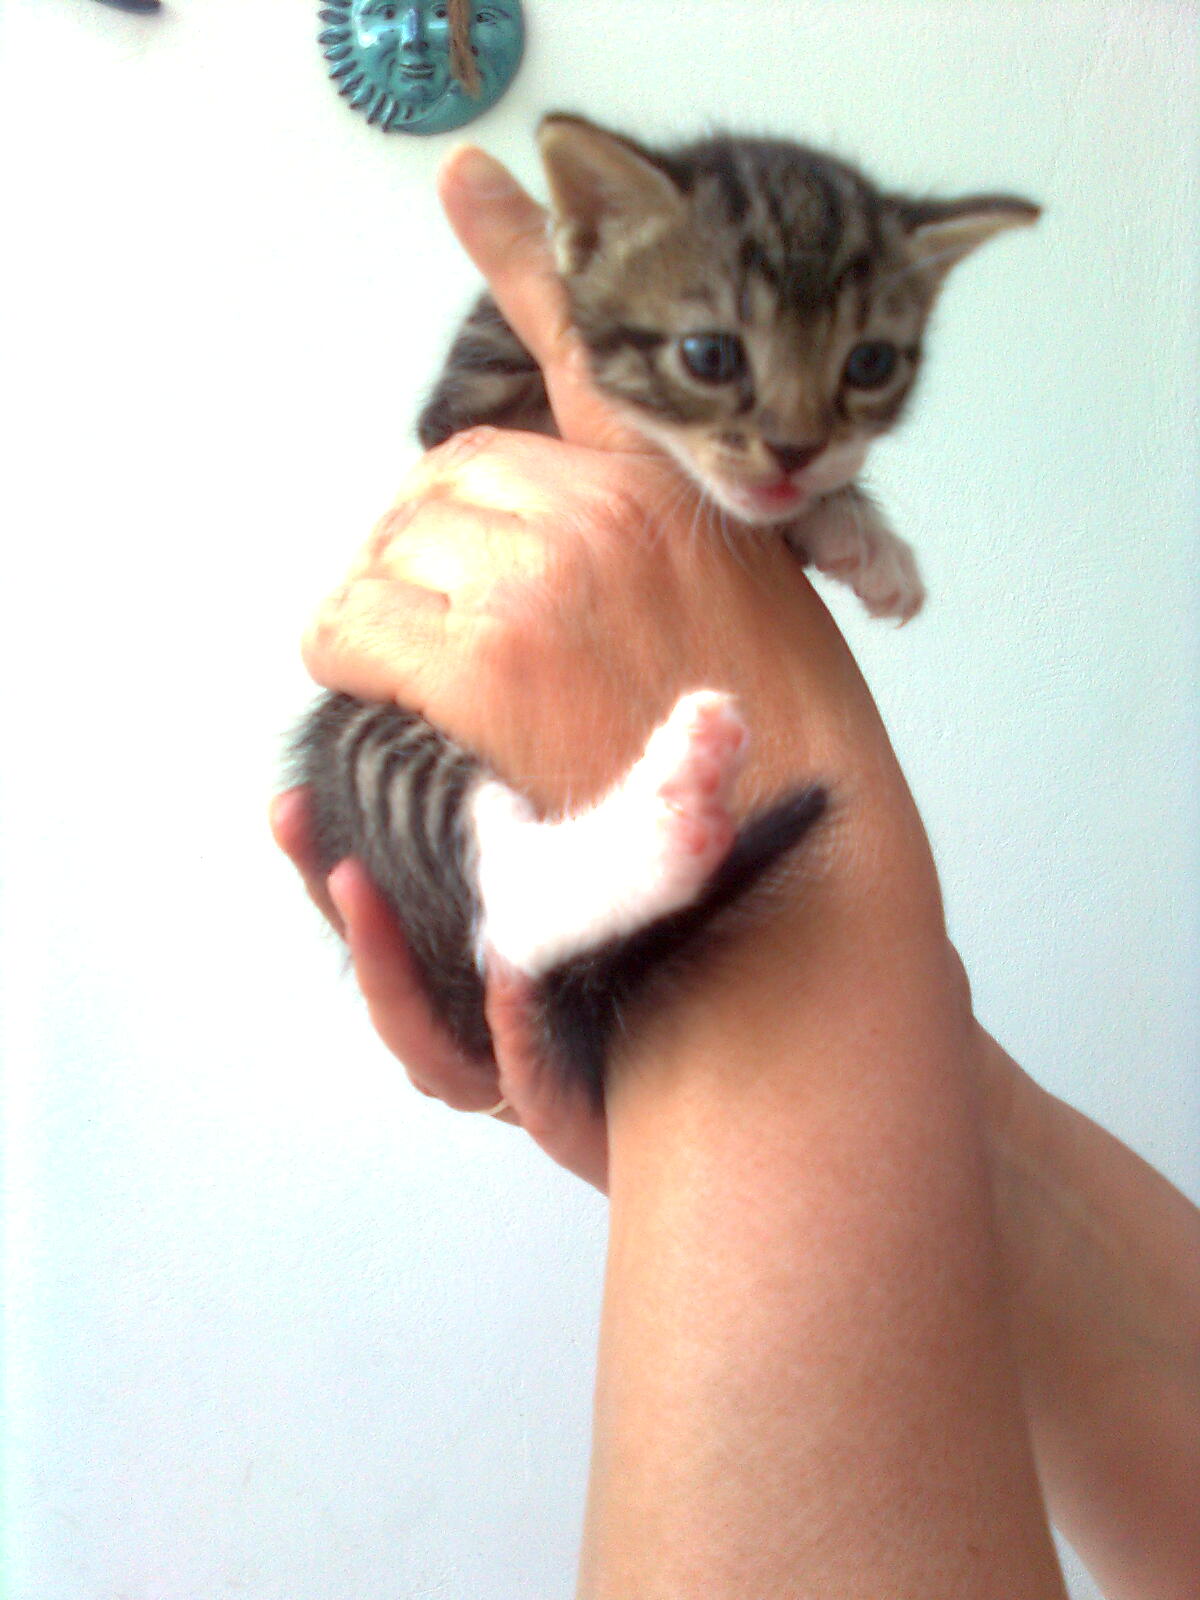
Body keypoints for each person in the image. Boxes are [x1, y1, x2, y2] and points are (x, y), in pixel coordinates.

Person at [273, 146, 1200, 1599]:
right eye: (719, 360)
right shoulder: (553, 318)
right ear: (597, 246)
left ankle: (568, 888)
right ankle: (535, 880)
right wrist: (907, 1077)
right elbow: (453, 436)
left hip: (601, 877)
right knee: (354, 754)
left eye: (863, 375)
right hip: (481, 838)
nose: (794, 437)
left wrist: (803, 1006)